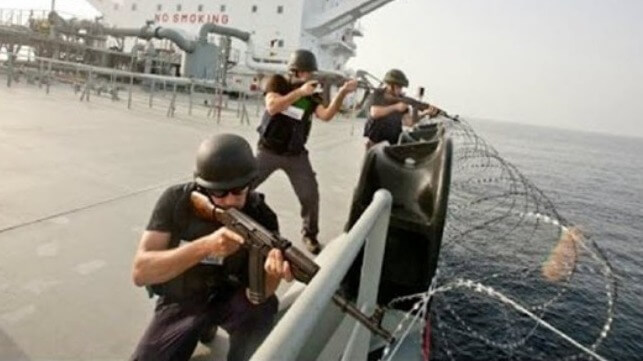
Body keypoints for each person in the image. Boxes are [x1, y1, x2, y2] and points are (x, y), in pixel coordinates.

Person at [130, 133, 293, 361]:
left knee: (261, 313)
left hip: (231, 298)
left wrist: (272, 275)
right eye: (218, 192)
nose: (228, 200)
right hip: (182, 299)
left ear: (250, 184)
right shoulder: (176, 201)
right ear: (203, 187)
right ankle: (200, 327)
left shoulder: (262, 217)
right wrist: (205, 247)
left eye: (238, 191)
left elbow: (260, 295)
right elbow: (140, 272)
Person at [254, 49, 358, 254]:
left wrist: (343, 93)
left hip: (296, 154)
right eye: (307, 73)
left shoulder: (312, 95)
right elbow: (273, 106)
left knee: (310, 195)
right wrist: (300, 93)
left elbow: (326, 115)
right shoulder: (277, 82)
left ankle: (310, 235)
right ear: (296, 71)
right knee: (243, 185)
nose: (310, 77)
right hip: (269, 150)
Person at [363, 69, 440, 149]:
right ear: (390, 85)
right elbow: (375, 113)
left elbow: (409, 122)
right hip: (375, 141)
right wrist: (396, 107)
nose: (400, 90)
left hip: (393, 142)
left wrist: (425, 113)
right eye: (398, 87)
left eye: (401, 87)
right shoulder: (378, 94)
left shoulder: (401, 99)